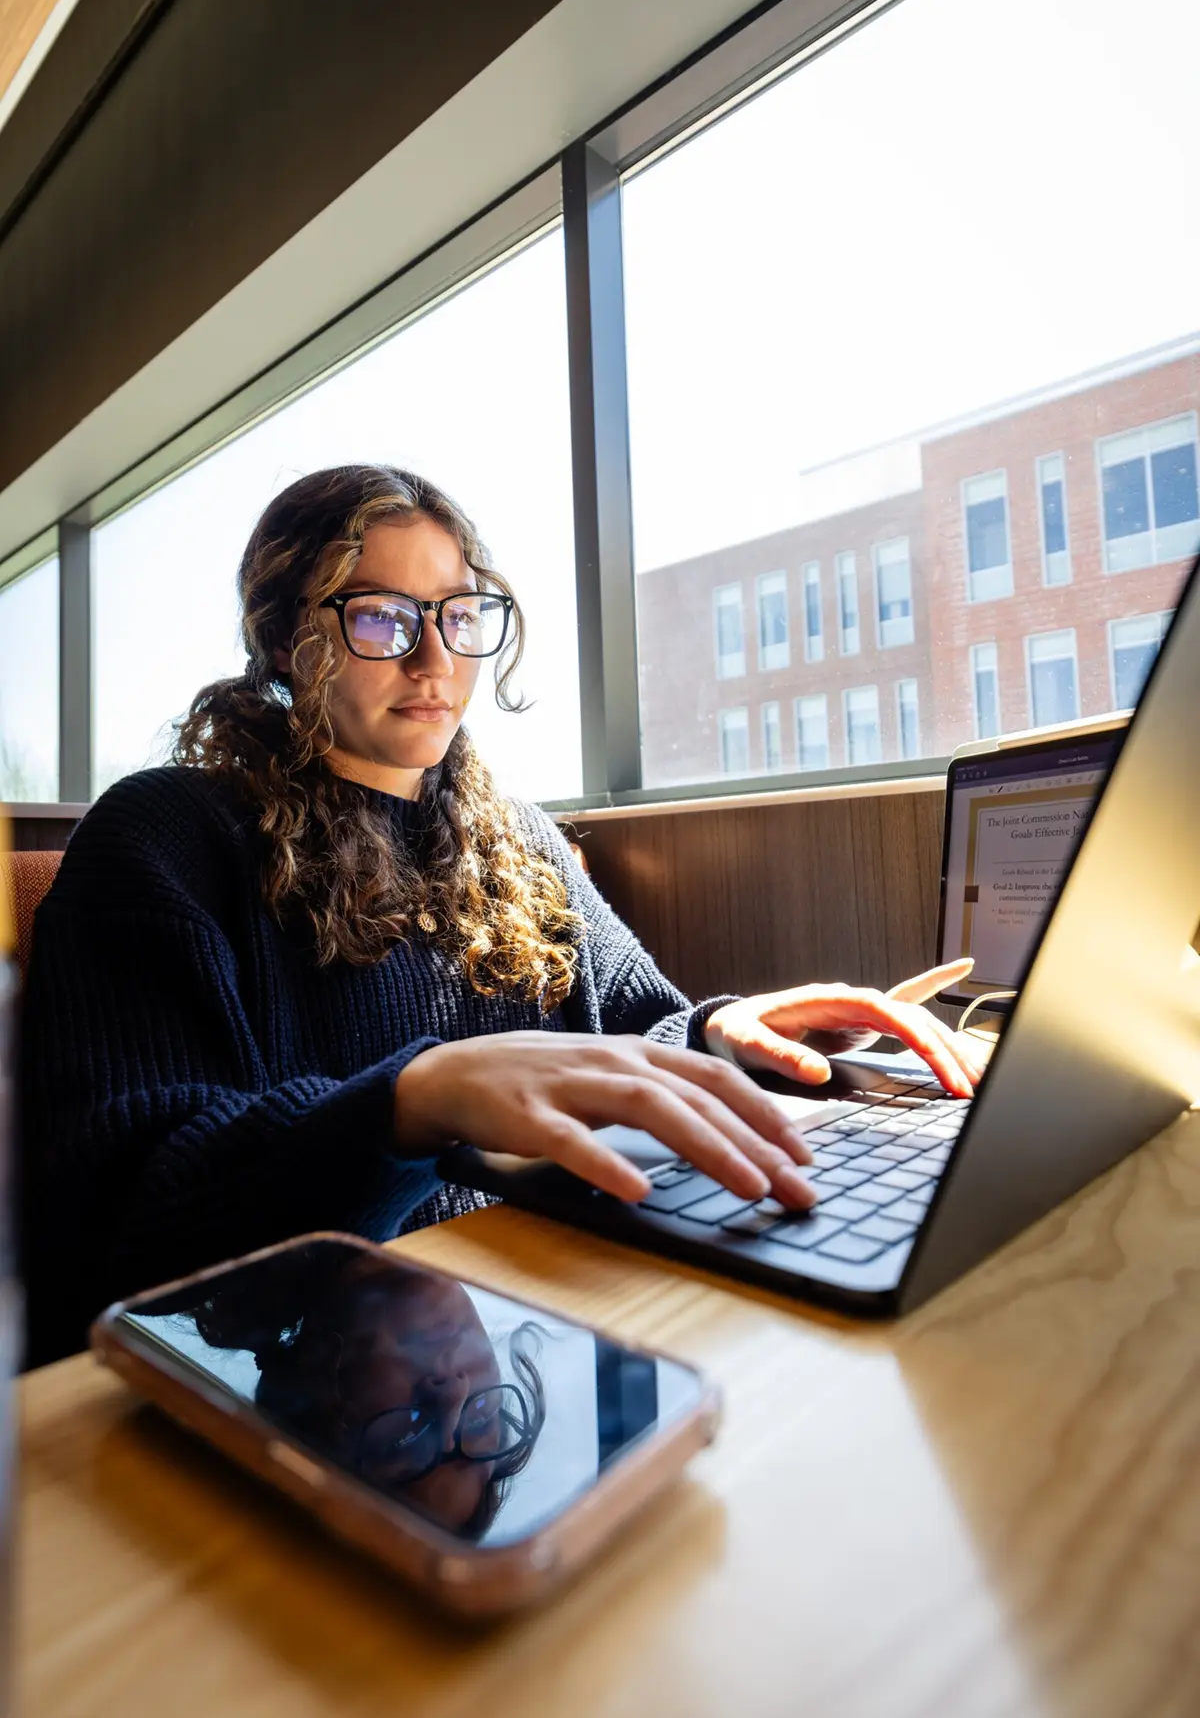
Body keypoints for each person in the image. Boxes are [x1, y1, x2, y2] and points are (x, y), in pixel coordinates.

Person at [20, 464, 980, 1365]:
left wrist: (729, 1034)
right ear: (283, 640)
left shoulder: (517, 839)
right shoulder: (167, 836)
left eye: (459, 614)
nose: (435, 657)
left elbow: (639, 1034)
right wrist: (408, 1105)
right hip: (308, 1359)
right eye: (384, 619)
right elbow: (119, 1206)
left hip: (549, 1314)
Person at [141, 1239, 546, 1539]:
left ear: (310, 1395)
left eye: (405, 1441)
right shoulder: (477, 1214)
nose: (453, 1392)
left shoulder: (174, 1252)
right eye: (480, 1419)